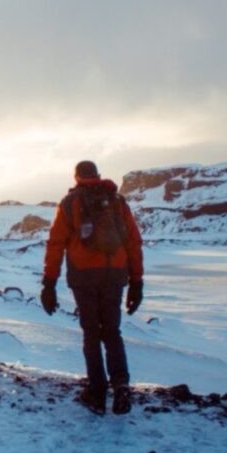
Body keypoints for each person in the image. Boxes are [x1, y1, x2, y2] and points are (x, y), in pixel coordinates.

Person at [41, 160, 144, 415]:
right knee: (112, 331)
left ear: (76, 177)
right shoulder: (117, 201)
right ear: (97, 175)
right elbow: (133, 242)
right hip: (115, 276)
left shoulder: (70, 203)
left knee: (91, 333)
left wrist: (49, 284)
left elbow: (55, 244)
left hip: (84, 277)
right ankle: (121, 386)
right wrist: (136, 282)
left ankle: (97, 393)